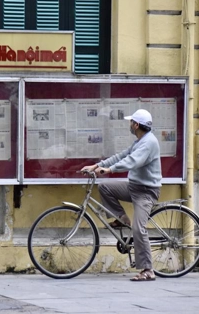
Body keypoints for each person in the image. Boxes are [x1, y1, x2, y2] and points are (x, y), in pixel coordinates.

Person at [80, 109, 162, 282]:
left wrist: (110, 170)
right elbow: (122, 155)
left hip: (146, 192)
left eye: (130, 122)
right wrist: (97, 166)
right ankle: (121, 218)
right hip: (134, 186)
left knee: (139, 229)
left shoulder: (149, 143)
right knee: (105, 188)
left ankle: (148, 270)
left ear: (136, 125)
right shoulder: (139, 141)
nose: (129, 125)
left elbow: (132, 161)